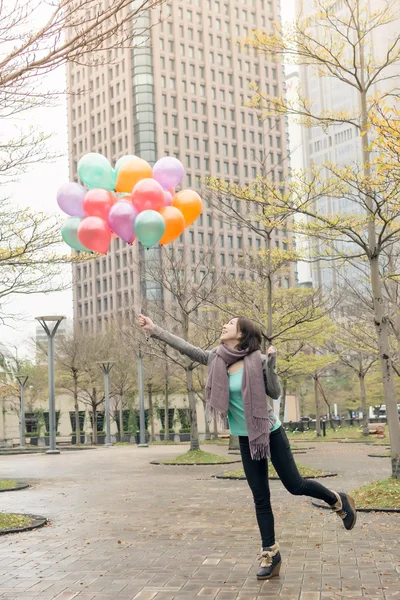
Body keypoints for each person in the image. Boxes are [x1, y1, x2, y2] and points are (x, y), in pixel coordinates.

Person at [138, 314, 357, 580]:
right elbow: (185, 347)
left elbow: (275, 393)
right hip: (245, 437)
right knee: (260, 497)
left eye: (229, 324)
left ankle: (337, 499)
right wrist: (155, 329)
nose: (224, 325)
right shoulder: (215, 359)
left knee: (295, 485)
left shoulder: (259, 361)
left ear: (241, 334)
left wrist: (272, 365)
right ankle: (271, 554)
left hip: (270, 432)